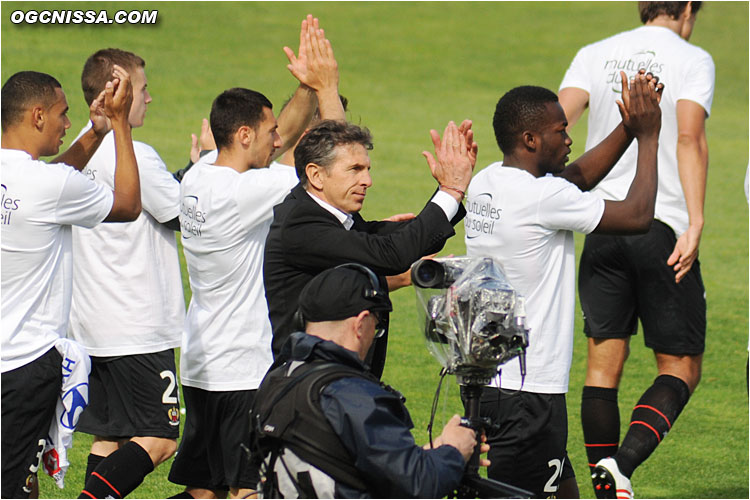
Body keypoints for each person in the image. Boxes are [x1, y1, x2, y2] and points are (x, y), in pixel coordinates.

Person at [167, 16, 345, 499]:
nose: (278, 138)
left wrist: (303, 90)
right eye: (267, 132)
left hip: (202, 365)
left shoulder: (201, 174)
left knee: (204, 489)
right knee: (249, 488)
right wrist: (326, 89)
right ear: (245, 135)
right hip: (245, 368)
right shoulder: (246, 193)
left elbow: (282, 137)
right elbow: (331, 159)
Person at [463, 73, 663, 498]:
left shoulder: (488, 182)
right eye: (561, 131)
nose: (569, 138)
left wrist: (627, 127)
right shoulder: (543, 199)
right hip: (529, 391)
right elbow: (638, 214)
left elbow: (572, 181)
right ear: (531, 140)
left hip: (493, 381)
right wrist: (648, 136)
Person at [558, 2, 714, 497]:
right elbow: (688, 137)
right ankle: (621, 465)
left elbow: (556, 121)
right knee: (681, 366)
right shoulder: (693, 58)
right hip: (659, 225)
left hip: (601, 226)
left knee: (603, 366)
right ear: (687, 7)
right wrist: (695, 221)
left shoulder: (594, 52)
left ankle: (606, 487)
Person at [1, 68, 139, 498]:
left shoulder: (34, 183)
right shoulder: (48, 185)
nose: (66, 124)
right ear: (37, 116)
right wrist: (118, 125)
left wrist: (92, 133)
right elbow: (128, 205)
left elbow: (51, 184)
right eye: (62, 115)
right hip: (25, 363)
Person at [263, 118, 477, 377]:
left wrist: (449, 192)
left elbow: (402, 241)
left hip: (332, 379)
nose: (368, 180)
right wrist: (450, 190)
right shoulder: (301, 224)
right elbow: (393, 253)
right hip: (312, 385)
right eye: (354, 169)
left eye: (367, 169)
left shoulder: (328, 216)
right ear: (316, 175)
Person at [252, 264, 486, 498]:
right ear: (361, 323)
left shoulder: (278, 379)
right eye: (376, 326)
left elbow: (342, 462)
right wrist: (454, 449)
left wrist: (436, 450)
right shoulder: (353, 395)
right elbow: (419, 484)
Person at [64, 48, 184, 500]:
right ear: (117, 91)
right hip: (138, 327)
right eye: (143, 88)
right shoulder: (133, 152)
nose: (149, 99)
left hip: (91, 327)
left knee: (110, 437)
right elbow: (179, 216)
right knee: (160, 437)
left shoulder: (80, 150)